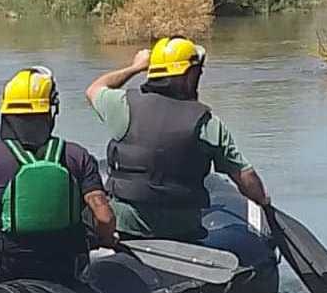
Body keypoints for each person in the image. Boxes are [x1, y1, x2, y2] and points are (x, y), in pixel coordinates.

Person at [85, 36, 272, 242]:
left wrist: (135, 67)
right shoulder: (206, 123)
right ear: (188, 76)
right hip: (182, 231)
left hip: (127, 227)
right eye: (197, 72)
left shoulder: (122, 105)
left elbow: (94, 89)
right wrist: (263, 202)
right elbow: (244, 176)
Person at [0, 67, 117, 285]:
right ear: (50, 112)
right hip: (65, 262)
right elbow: (104, 217)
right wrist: (106, 240)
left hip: (8, 264)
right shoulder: (77, 155)